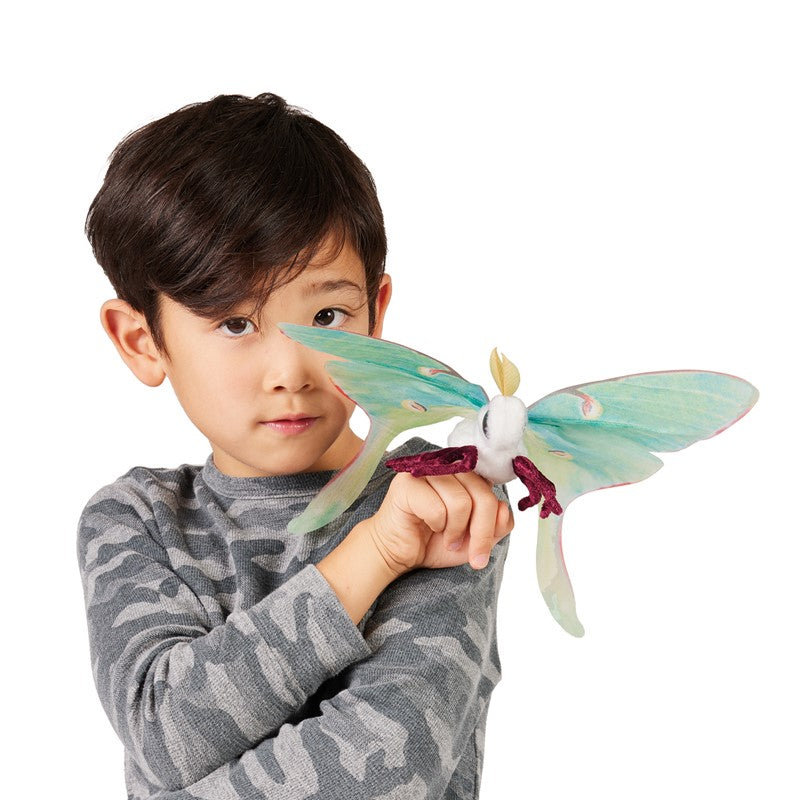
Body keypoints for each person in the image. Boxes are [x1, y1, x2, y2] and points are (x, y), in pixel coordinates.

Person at [77, 93, 512, 800]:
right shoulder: (137, 519)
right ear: (142, 340)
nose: (290, 372)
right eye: (235, 324)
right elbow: (164, 732)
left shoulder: (439, 502)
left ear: (376, 314)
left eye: (328, 315)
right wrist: (375, 555)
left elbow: (384, 768)